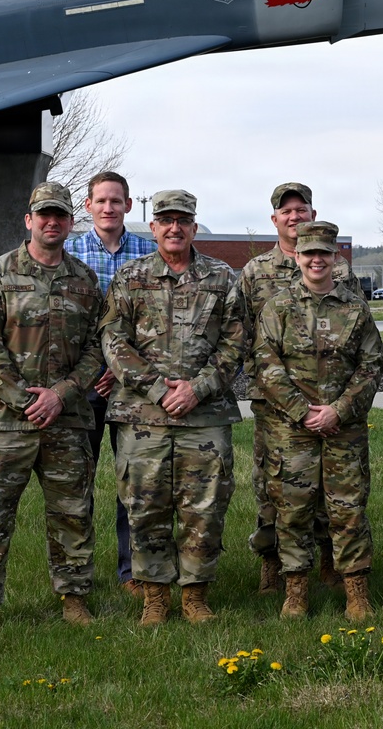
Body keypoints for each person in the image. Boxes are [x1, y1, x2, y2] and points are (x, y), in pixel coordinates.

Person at [0, 182, 104, 634]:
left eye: (59, 215)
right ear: (29, 220)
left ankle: (74, 598)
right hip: (7, 424)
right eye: (43, 214)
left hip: (67, 420)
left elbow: (98, 350)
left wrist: (60, 394)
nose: (51, 221)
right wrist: (27, 401)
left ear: (69, 222)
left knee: (73, 515)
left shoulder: (84, 280)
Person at [100, 189, 244, 626]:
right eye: (165, 220)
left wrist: (197, 389)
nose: (174, 227)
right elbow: (113, 339)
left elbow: (236, 342)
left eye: (183, 220)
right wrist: (160, 390)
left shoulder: (221, 277)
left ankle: (195, 596)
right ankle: (155, 598)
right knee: (145, 507)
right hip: (144, 417)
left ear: (194, 226)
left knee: (204, 507)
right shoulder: (131, 276)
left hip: (205, 415)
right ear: (155, 226)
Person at [235, 182, 361, 596]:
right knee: (274, 487)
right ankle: (274, 565)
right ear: (275, 219)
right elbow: (247, 335)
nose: (294, 216)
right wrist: (288, 399)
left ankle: (328, 563)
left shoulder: (340, 272)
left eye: (301, 209)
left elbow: (357, 336)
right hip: (275, 404)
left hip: (332, 401)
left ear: (312, 214)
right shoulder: (255, 272)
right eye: (286, 211)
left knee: (333, 489)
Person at [254, 221, 383, 621]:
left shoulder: (354, 308)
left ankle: (356, 590)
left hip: (343, 428)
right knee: (293, 510)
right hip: (291, 430)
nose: (315, 260)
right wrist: (301, 411)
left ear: (334, 258)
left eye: (323, 253)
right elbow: (265, 363)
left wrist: (339, 410)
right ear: (297, 256)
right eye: (308, 253)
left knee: (347, 509)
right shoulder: (278, 307)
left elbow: (372, 363)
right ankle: (296, 590)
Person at [64, 171, 156, 598]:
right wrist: (94, 368)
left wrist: (121, 368)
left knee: (133, 484)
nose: (108, 208)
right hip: (84, 386)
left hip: (133, 389)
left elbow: (153, 325)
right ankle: (76, 574)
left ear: (128, 206)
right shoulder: (69, 252)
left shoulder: (149, 252)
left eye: (116, 201)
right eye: (100, 200)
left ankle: (133, 571)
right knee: (75, 484)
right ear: (88, 205)